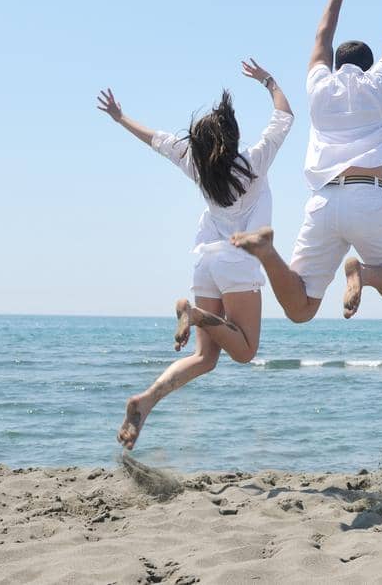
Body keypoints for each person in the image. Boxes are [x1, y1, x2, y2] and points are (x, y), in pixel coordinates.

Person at [95, 59, 293, 449]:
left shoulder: (195, 164)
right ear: (232, 138)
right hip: (238, 261)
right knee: (246, 351)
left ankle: (144, 401)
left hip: (205, 261)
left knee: (206, 358)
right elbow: (284, 115)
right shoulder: (254, 164)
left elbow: (156, 139)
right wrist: (268, 81)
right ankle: (196, 314)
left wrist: (119, 118)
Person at [232, 0, 382, 321]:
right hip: (366, 198)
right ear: (371, 68)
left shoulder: (318, 87)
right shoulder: (380, 86)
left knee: (301, 308)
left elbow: (321, 37)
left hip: (322, 202)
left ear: (337, 66)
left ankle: (267, 252)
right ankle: (364, 274)